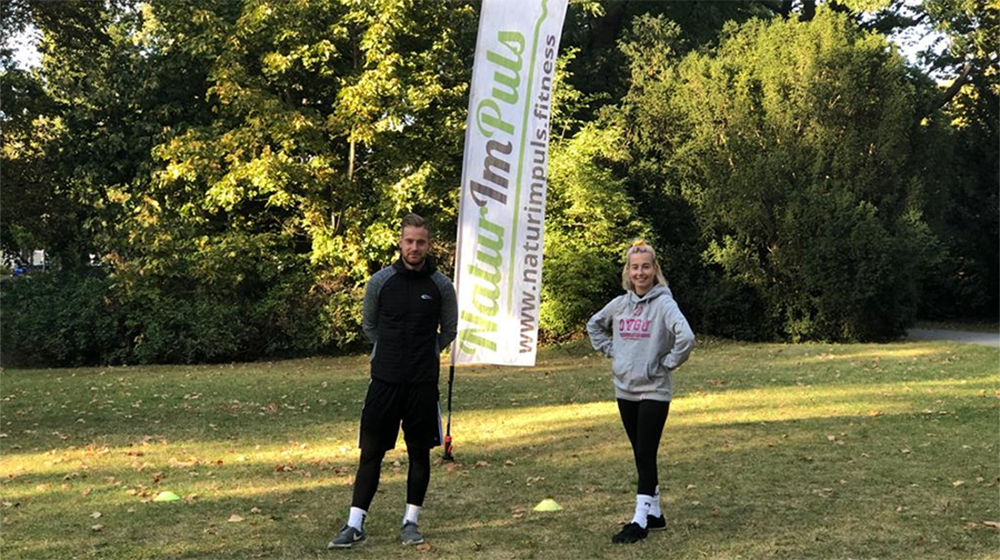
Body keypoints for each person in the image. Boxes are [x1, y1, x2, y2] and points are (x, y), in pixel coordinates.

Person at [328, 213, 458, 548]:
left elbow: (450, 330)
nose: (414, 247)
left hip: (422, 385)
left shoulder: (442, 286)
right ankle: (354, 525)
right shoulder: (380, 282)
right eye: (409, 241)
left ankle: (410, 523)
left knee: (419, 453)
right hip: (384, 382)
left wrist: (425, 353)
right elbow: (370, 326)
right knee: (370, 453)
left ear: (430, 245)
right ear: (400, 242)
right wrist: (388, 353)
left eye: (421, 242)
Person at [586, 239, 695, 544]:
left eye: (646, 266)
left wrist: (666, 363)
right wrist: (615, 353)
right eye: (635, 267)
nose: (640, 272)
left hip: (654, 390)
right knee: (641, 453)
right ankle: (655, 513)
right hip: (626, 389)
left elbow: (685, 337)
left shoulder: (664, 304)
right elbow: (594, 325)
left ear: (655, 269)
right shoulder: (621, 304)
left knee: (645, 453)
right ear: (628, 271)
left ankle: (639, 520)